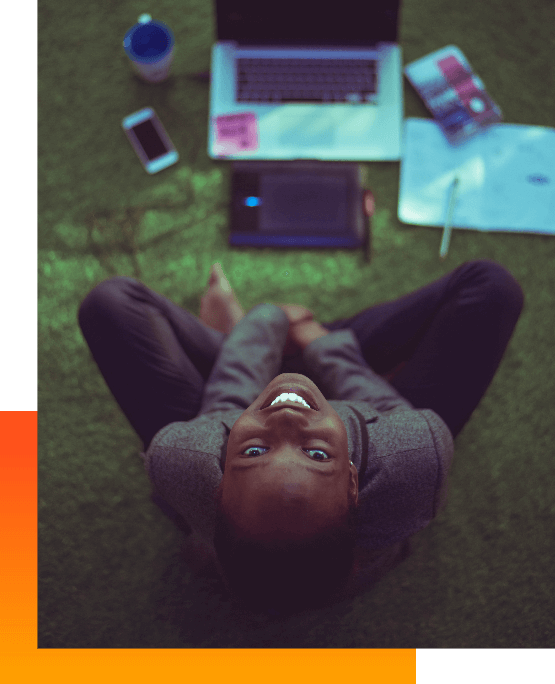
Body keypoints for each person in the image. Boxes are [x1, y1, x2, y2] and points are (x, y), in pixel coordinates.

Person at [77, 259, 524, 617]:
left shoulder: (183, 458)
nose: (287, 420)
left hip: (241, 399)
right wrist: (319, 342)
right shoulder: (414, 454)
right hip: (357, 388)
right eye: (315, 453)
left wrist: (266, 321)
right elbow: (376, 401)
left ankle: (239, 338)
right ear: (353, 482)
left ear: (217, 486)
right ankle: (294, 341)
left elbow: (229, 399)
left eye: (254, 451)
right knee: (492, 287)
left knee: (108, 302)